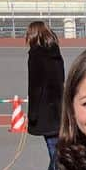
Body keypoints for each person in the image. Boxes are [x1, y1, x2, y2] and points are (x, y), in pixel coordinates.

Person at [25, 21, 65, 161]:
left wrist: (32, 114)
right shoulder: (55, 52)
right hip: (59, 107)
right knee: (59, 147)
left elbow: (35, 86)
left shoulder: (36, 54)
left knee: (53, 149)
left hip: (45, 109)